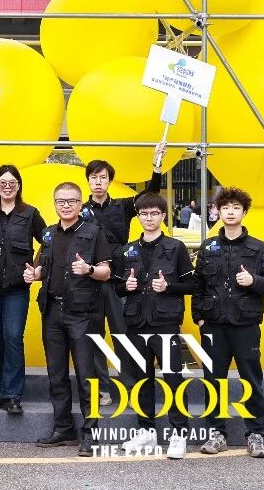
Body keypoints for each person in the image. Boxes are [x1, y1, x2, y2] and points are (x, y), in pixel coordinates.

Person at [24, 180, 112, 457]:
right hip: (52, 311)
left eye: (71, 201)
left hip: (82, 314)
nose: (66, 205)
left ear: (80, 203)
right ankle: (63, 428)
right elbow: (42, 268)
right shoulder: (48, 234)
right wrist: (33, 274)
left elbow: (106, 272)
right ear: (54, 204)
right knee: (57, 373)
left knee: (87, 376)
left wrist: (89, 269)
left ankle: (91, 433)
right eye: (61, 201)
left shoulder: (93, 232)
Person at [192, 186, 264, 459]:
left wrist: (253, 281)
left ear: (244, 212)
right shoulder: (208, 247)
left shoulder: (258, 247)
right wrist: (199, 317)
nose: (230, 213)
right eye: (225, 208)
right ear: (217, 212)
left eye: (236, 208)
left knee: (251, 379)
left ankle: (255, 434)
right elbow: (198, 285)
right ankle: (216, 433)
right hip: (214, 324)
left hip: (245, 324)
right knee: (213, 379)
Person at [117, 192, 195, 459]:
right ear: (138, 217)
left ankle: (179, 433)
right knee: (142, 379)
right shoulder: (127, 250)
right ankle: (146, 430)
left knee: (173, 377)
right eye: (143, 214)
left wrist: (168, 286)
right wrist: (125, 286)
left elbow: (193, 284)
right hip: (136, 322)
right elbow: (116, 287)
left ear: (163, 216)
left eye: (154, 214)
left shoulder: (176, 247)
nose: (148, 218)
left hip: (165, 323)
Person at [80, 152, 163, 392]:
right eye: (94, 177)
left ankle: (131, 386)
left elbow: (150, 195)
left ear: (109, 181)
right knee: (94, 336)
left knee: (123, 333)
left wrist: (156, 167)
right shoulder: (80, 210)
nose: (98, 182)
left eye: (103, 178)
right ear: (88, 181)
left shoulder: (122, 206)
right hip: (90, 280)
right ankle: (102, 389)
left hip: (119, 280)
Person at [0, 164, 46, 416]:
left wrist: (36, 267)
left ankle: (13, 394)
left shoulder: (30, 214)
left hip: (16, 288)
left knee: (13, 336)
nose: (7, 187)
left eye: (12, 182)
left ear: (19, 186)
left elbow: (48, 241)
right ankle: (0, 392)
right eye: (2, 182)